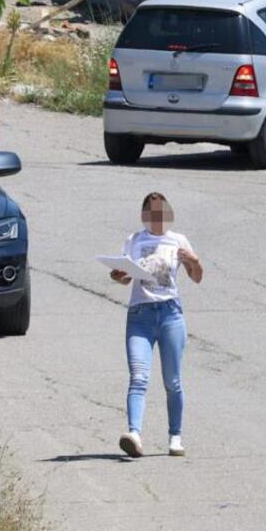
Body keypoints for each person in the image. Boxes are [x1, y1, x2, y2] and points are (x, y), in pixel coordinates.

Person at [110, 193, 203, 458]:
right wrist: (118, 274)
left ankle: (175, 437)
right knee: (138, 376)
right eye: (152, 213)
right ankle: (134, 434)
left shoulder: (178, 240)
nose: (157, 219)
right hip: (140, 316)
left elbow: (197, 277)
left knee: (172, 381)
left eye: (161, 213)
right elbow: (124, 278)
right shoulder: (135, 240)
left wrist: (194, 261)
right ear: (144, 216)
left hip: (170, 314)